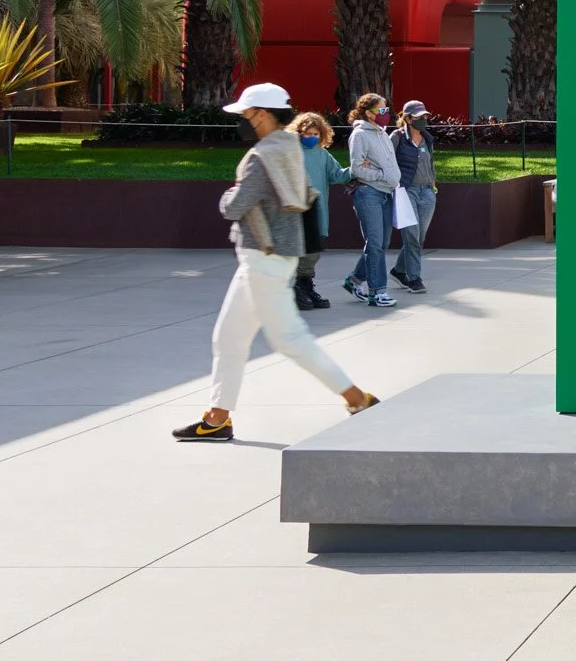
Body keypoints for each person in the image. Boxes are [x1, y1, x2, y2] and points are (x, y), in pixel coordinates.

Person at [174, 83, 378, 441]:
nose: (242, 120)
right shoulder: (290, 148)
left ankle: (358, 398)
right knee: (228, 338)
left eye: (246, 114)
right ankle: (218, 417)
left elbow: (233, 207)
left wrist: (228, 194)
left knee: (289, 338)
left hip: (262, 259)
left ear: (263, 115)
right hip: (276, 257)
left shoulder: (261, 156)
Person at [340, 92, 400, 308]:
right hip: (368, 193)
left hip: (385, 193)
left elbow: (379, 164)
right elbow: (357, 167)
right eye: (382, 110)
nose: (386, 114)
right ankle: (378, 292)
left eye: (386, 109)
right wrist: (382, 176)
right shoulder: (360, 135)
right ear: (368, 113)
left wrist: (389, 178)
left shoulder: (382, 133)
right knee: (375, 243)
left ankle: (355, 280)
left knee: (381, 244)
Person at [289, 111, 348, 311]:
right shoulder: (291, 153)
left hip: (318, 209)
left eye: (315, 134)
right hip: (297, 210)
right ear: (298, 133)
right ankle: (298, 286)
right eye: (307, 134)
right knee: (301, 249)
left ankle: (305, 285)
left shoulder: (323, 154)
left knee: (313, 251)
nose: (311, 137)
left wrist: (357, 168)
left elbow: (337, 174)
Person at [389, 99, 437, 295]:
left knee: (419, 237)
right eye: (418, 117)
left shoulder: (427, 139)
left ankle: (399, 270)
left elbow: (431, 163)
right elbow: (387, 160)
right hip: (406, 191)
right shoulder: (397, 137)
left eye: (425, 116)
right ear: (407, 118)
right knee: (411, 236)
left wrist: (433, 182)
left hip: (427, 191)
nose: (423, 120)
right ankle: (414, 278)